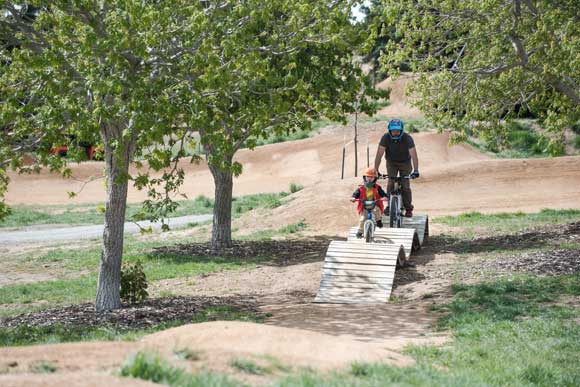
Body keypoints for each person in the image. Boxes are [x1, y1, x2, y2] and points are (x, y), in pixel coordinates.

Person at [373, 118, 419, 218]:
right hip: (391, 162)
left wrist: (416, 170)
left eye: (398, 130)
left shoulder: (407, 138)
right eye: (393, 130)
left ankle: (408, 208)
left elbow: (414, 155)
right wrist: (375, 170)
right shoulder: (385, 138)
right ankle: (390, 206)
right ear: (389, 130)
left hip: (405, 162)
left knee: (405, 185)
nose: (395, 132)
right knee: (390, 182)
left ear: (401, 130)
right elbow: (379, 154)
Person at [351, 167, 388, 238]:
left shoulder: (377, 187)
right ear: (364, 177)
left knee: (378, 211)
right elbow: (356, 193)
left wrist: (385, 197)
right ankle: (360, 231)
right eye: (368, 177)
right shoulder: (361, 188)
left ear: (375, 178)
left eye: (372, 177)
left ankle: (378, 221)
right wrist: (353, 198)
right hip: (364, 205)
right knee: (362, 219)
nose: (370, 178)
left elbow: (382, 193)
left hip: (374, 204)